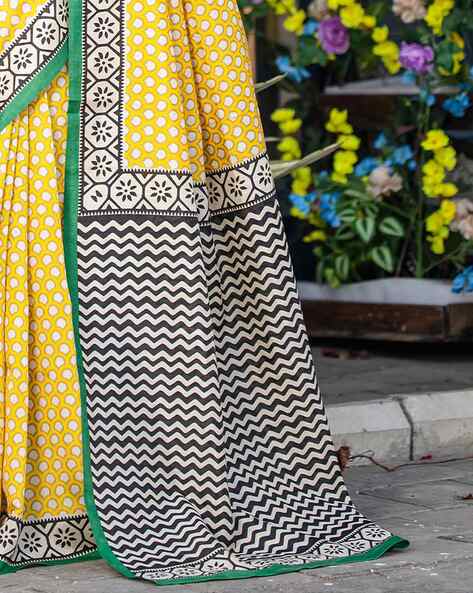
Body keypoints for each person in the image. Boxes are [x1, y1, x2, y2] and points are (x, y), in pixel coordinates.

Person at [0, 0, 408, 583]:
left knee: (134, 251)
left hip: (149, 33)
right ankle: (46, 498)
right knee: (30, 215)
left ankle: (119, 497)